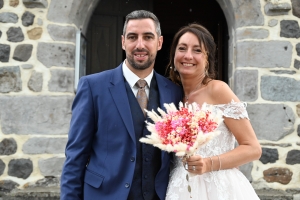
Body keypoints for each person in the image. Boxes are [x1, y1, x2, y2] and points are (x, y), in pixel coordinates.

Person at [60, 10, 182, 200]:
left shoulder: (174, 92)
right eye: (133, 37)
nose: (140, 45)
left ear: (159, 43)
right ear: (123, 41)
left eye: (148, 37)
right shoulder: (93, 87)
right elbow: (75, 158)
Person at [165, 23, 262, 200]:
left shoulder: (218, 90)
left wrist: (208, 164)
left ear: (207, 58)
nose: (188, 56)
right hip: (180, 187)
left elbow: (253, 148)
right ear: (173, 55)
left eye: (197, 50)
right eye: (182, 48)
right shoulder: (171, 96)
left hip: (219, 188)